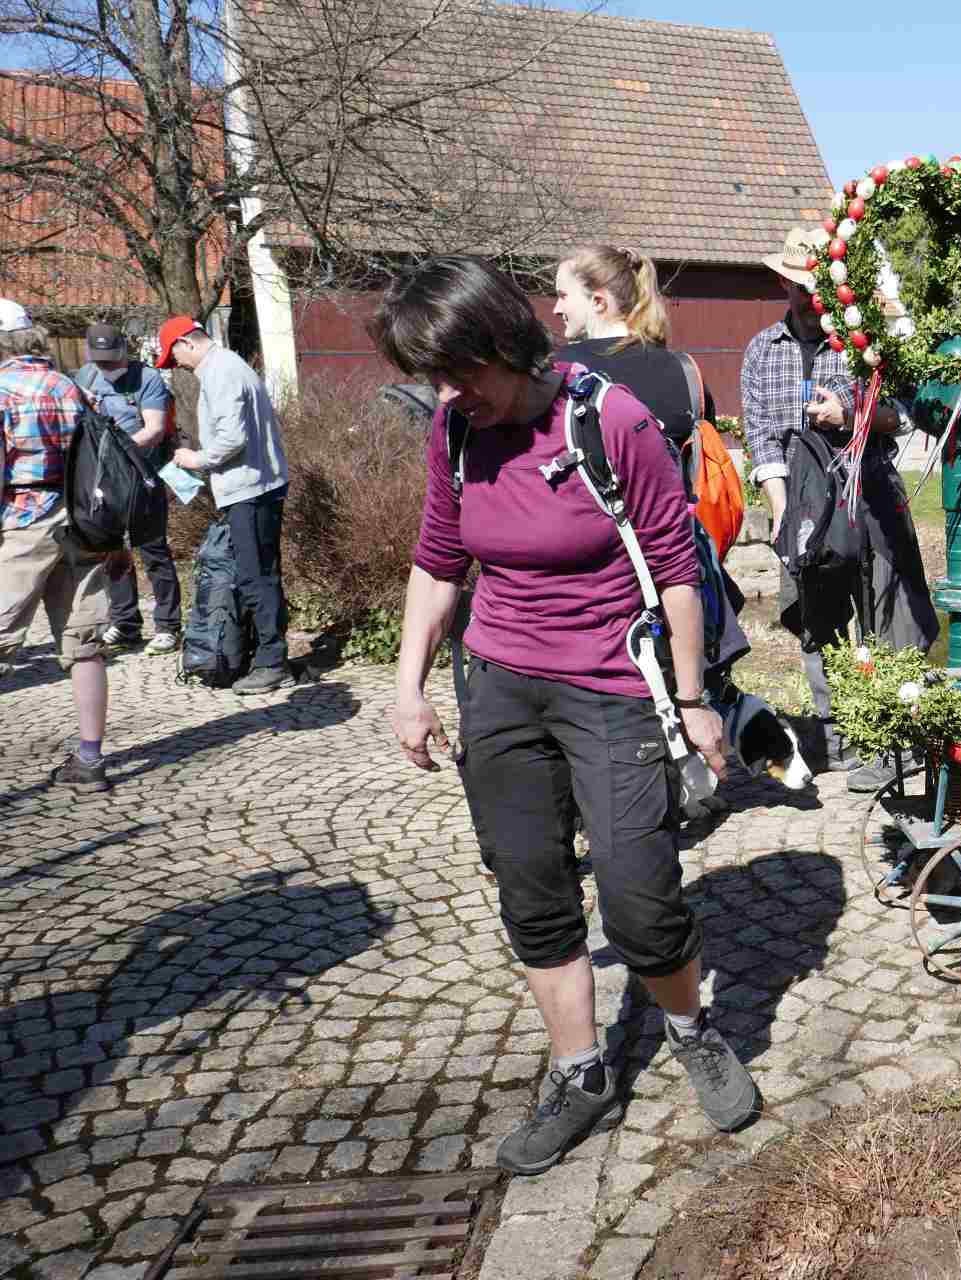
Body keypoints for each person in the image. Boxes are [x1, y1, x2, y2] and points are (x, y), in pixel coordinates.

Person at [374, 256, 758, 1174]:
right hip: (501, 687)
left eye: (461, 371)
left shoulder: (607, 418)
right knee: (532, 887)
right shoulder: (455, 431)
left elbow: (677, 570)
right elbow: (438, 561)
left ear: (507, 343)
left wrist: (694, 702)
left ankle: (690, 1029)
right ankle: (580, 1072)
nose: (449, 393)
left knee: (639, 895)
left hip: (612, 686)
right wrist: (409, 686)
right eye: (433, 376)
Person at [741, 227, 938, 791]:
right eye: (802, 287)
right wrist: (781, 510)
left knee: (887, 619)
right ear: (784, 284)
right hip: (802, 504)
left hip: (868, 493)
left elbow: (905, 414)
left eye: (820, 287)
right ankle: (838, 735)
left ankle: (891, 742)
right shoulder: (762, 351)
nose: (812, 298)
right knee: (817, 625)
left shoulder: (864, 342)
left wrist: (850, 418)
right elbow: (761, 437)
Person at [0, 299, 125, 791]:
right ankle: (90, 760)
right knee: (84, 643)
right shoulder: (74, 387)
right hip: (81, 524)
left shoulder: (2, 391)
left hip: (22, 522)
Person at [158, 315, 292, 693]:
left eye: (174, 357)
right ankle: (266, 655)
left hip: (250, 488)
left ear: (187, 342)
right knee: (262, 573)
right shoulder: (228, 366)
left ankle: (272, 663)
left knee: (255, 576)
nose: (177, 365)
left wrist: (196, 459)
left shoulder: (221, 372)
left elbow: (232, 438)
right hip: (256, 485)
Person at [73, 322, 182, 656]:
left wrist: (118, 453)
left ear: (124, 351)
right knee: (112, 549)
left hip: (142, 473)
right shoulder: (85, 376)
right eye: (100, 361)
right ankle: (125, 623)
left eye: (112, 360)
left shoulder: (147, 378)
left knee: (152, 549)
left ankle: (168, 626)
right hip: (104, 479)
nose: (107, 367)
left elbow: (154, 429)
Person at [552, 245, 716, 440]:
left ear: (598, 301)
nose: (556, 309)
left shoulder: (561, 368)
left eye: (563, 296)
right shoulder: (686, 371)